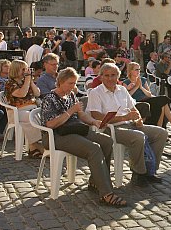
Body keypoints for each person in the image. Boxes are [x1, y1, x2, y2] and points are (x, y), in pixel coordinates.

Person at [41, 67, 127, 206]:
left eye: (75, 83)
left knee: (106, 141)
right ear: (61, 82)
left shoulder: (71, 95)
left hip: (75, 129)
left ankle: (95, 181)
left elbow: (81, 115)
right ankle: (106, 193)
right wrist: (70, 112)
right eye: (70, 83)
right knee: (94, 149)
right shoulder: (49, 98)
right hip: (57, 135)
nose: (73, 87)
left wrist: (94, 122)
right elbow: (50, 124)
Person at [86, 63, 167, 186]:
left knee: (161, 133)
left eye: (113, 75)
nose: (110, 78)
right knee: (138, 137)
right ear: (101, 77)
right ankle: (139, 173)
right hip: (110, 129)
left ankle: (150, 171)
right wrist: (124, 117)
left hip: (129, 124)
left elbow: (133, 108)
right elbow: (97, 116)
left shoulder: (122, 90)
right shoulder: (96, 92)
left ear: (118, 76)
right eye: (106, 75)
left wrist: (138, 119)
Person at [123, 62, 171, 133]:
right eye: (136, 69)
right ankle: (170, 125)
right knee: (162, 102)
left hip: (148, 99)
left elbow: (149, 94)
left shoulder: (142, 80)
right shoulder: (126, 82)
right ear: (131, 71)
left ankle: (162, 128)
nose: (138, 71)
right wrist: (136, 87)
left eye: (139, 69)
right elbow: (127, 96)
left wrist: (141, 87)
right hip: (138, 102)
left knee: (163, 101)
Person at [4, 59, 45, 157]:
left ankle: (34, 147)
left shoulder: (25, 81)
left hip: (31, 109)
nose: (25, 72)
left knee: (41, 116)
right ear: (16, 70)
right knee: (30, 117)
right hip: (17, 112)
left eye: (26, 69)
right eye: (23, 69)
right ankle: (38, 146)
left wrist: (30, 82)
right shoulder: (10, 83)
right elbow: (22, 94)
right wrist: (27, 81)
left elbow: (37, 93)